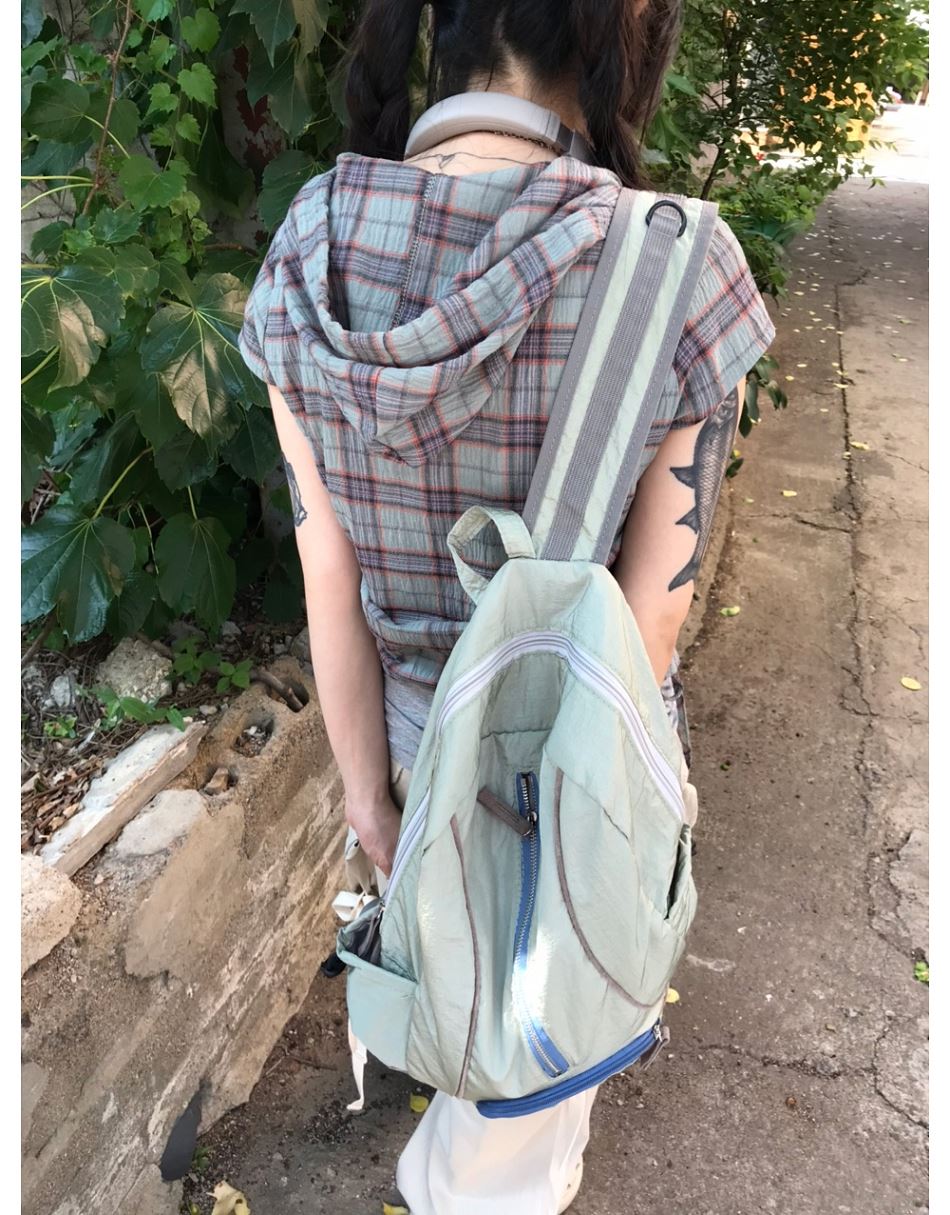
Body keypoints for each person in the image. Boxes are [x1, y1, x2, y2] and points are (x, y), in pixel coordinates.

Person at [238, 1, 775, 1210]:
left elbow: (328, 575)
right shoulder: (672, 262)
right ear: (621, 38)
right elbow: (646, 625)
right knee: (528, 1073)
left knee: (455, 997)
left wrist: (368, 798)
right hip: (569, 762)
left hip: (408, 743)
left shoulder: (310, 238)